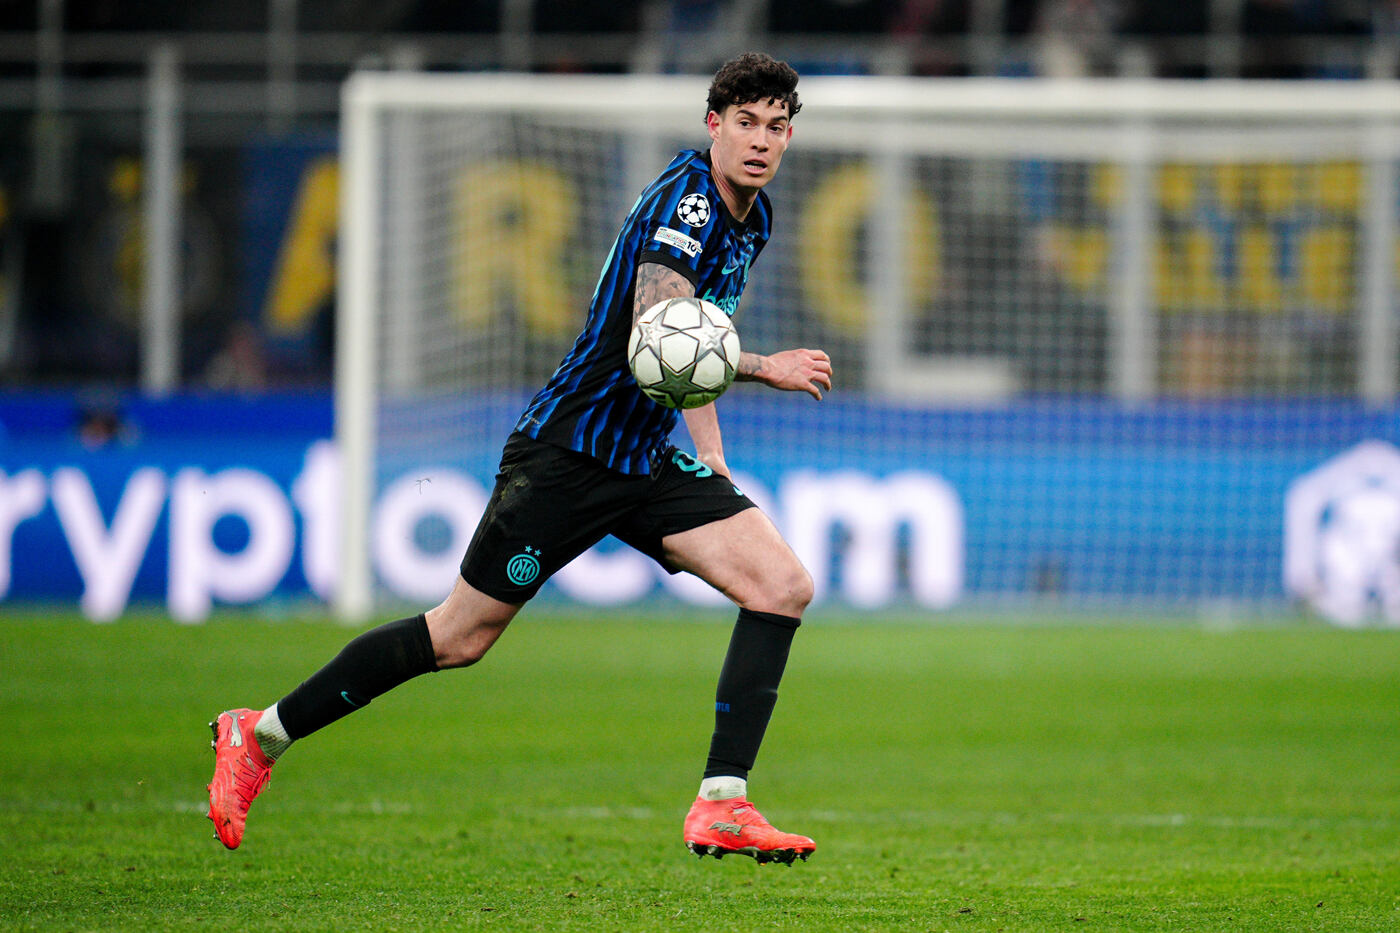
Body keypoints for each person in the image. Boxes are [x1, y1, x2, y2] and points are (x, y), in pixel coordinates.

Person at [207, 51, 833, 865]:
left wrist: (711, 460)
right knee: (459, 637)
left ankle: (723, 801)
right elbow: (663, 328)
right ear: (713, 125)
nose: (759, 141)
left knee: (781, 584)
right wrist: (767, 367)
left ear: (789, 136)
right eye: (744, 123)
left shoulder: (755, 216)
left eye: (775, 127)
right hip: (568, 453)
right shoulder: (688, 203)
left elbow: (696, 341)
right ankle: (258, 735)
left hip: (640, 455)